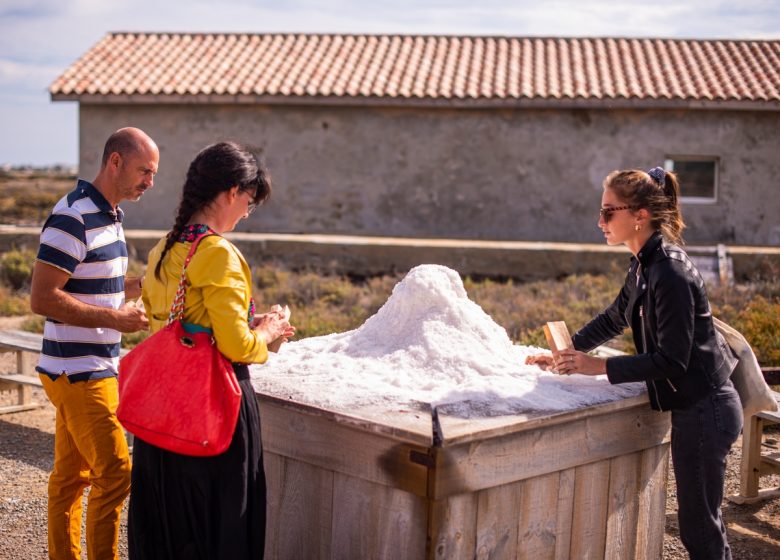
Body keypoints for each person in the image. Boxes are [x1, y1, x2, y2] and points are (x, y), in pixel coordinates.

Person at [527, 166, 742, 559]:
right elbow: (614, 317)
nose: (600, 222)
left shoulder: (670, 273)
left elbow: (672, 361)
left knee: (698, 529)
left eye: (609, 212)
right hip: (697, 406)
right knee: (704, 521)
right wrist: (567, 350)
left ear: (640, 215)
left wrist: (597, 368)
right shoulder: (644, 264)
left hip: (706, 409)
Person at [128, 141, 294, 559]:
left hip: (164, 413)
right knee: (220, 531)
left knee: (169, 530)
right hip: (213, 412)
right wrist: (268, 331)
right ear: (232, 192)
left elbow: (164, 325)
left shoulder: (163, 249)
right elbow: (236, 346)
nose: (246, 213)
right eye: (249, 203)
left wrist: (239, 327)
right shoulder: (218, 253)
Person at [30, 127, 157, 560]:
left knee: (71, 478)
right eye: (144, 171)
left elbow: (99, 283)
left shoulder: (111, 216)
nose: (150, 182)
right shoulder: (73, 215)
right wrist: (116, 319)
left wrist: (147, 286)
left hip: (82, 367)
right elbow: (42, 297)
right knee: (117, 473)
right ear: (115, 162)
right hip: (80, 370)